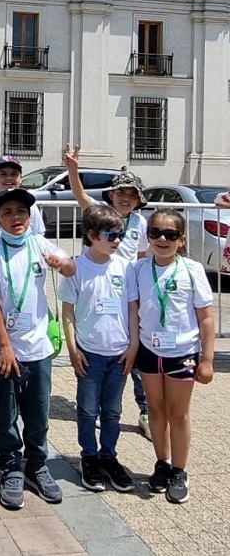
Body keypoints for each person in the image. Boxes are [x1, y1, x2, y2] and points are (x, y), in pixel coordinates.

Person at [0, 188, 75, 510]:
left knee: (38, 413)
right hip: (2, 350)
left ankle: (37, 465)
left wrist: (61, 264)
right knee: (6, 415)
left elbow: (72, 268)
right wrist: (5, 345)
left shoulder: (39, 243)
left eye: (21, 211)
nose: (16, 218)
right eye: (7, 213)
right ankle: (10, 467)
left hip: (37, 348)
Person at [64, 146, 152, 439]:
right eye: (121, 192)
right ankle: (96, 418)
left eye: (132, 194)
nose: (126, 198)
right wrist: (73, 169)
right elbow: (79, 195)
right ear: (112, 195)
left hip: (127, 290)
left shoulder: (140, 223)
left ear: (138, 200)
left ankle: (144, 409)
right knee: (101, 349)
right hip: (98, 285)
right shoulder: (101, 216)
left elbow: (140, 258)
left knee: (133, 351)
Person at [128, 209, 215, 504]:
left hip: (183, 353)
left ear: (181, 239)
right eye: (156, 233)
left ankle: (180, 470)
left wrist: (207, 360)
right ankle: (162, 463)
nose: (162, 239)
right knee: (155, 409)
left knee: (178, 413)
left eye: (170, 234)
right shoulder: (138, 269)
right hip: (149, 351)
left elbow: (205, 318)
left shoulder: (191, 269)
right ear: (147, 237)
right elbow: (133, 311)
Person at [59, 204, 137, 494]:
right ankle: (89, 457)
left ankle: (109, 455)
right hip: (89, 352)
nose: (117, 241)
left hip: (119, 352)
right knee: (88, 409)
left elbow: (132, 308)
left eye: (121, 235)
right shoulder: (76, 267)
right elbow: (67, 311)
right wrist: (72, 348)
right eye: (111, 235)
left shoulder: (125, 267)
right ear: (92, 235)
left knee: (113, 410)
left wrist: (133, 345)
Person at [0, 156, 46, 236]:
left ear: (21, 179)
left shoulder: (29, 204)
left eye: (14, 174)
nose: (9, 178)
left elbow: (38, 233)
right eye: (3, 174)